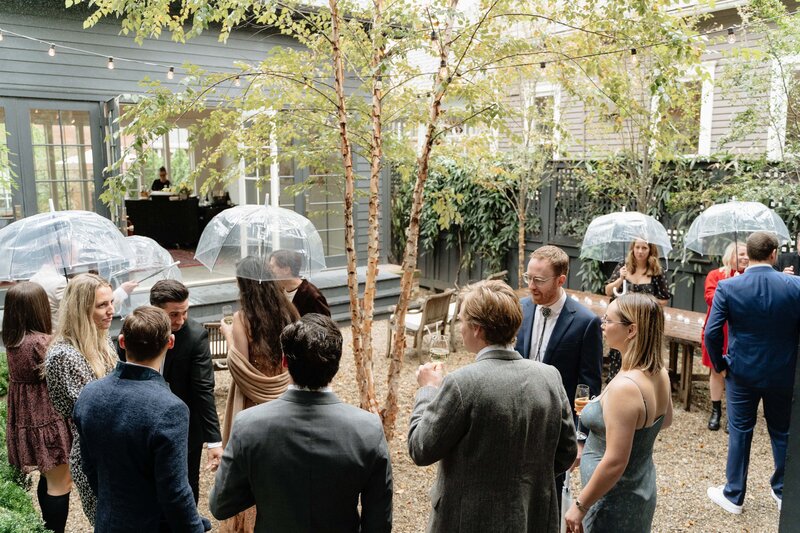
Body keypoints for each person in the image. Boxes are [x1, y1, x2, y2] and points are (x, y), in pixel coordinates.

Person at [409, 280, 577, 532]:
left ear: (476, 329)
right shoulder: (550, 376)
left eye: (462, 320)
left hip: (469, 522)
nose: (460, 328)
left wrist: (427, 391)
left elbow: (420, 448)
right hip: (531, 518)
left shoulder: (462, 383)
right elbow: (566, 453)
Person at [210, 314, 393, 532]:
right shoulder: (368, 429)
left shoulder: (249, 425)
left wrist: (261, 480)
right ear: (336, 364)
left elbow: (220, 506)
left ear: (285, 361)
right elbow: (379, 523)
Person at [73, 306, 209, 533]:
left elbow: (88, 465)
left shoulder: (89, 394)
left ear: (123, 342)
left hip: (108, 521)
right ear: (170, 342)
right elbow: (174, 492)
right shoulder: (170, 409)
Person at [705, 231, 800, 514]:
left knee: (740, 431)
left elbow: (712, 332)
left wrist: (720, 365)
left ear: (749, 253)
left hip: (742, 373)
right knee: (782, 431)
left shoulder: (729, 287)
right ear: (774, 255)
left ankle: (734, 495)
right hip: (783, 372)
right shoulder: (795, 286)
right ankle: (783, 491)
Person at [564, 293, 673, 533]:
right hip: (641, 487)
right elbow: (665, 420)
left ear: (631, 330)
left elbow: (614, 461)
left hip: (610, 499)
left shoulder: (625, 388)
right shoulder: (658, 372)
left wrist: (580, 506)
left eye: (608, 320)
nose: (602, 325)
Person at [514, 245, 603, 504]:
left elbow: (588, 385)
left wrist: (580, 437)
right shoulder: (519, 308)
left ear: (561, 279)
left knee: (549, 495)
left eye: (539, 280)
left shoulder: (586, 321)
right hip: (516, 417)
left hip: (556, 426)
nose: (531, 285)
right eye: (528, 278)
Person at [121, 280, 222, 505]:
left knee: (186, 485)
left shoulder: (195, 336)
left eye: (185, 312)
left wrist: (214, 440)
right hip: (141, 420)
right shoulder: (134, 330)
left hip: (185, 425)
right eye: (174, 314)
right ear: (155, 309)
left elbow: (203, 388)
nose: (181, 320)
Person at [217, 256, 300, 532]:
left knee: (255, 468)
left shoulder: (243, 319)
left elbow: (239, 364)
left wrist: (228, 334)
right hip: (286, 393)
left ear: (244, 285)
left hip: (255, 402)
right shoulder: (290, 311)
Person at [45, 273, 117, 524]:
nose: (111, 311)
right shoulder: (63, 355)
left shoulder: (102, 337)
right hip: (93, 454)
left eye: (111, 302)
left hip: (115, 446)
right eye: (102, 305)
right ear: (80, 309)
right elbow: (91, 413)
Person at [3, 282, 72, 533]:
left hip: (27, 420)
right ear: (39, 308)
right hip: (48, 419)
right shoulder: (41, 342)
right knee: (60, 482)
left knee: (48, 477)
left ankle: (46, 527)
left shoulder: (13, 341)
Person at [604, 239, 671, 381]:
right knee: (619, 352)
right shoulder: (624, 266)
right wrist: (620, 278)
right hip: (623, 320)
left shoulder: (656, 271)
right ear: (632, 248)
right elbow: (608, 291)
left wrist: (642, 302)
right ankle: (615, 381)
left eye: (644, 248)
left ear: (650, 250)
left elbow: (664, 298)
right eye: (637, 247)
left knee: (639, 353)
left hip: (643, 322)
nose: (640, 251)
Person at [700, 242, 748, 431]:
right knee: (716, 369)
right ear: (731, 255)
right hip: (718, 330)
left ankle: (732, 414)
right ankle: (716, 411)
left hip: (739, 331)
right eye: (741, 253)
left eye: (748, 254)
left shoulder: (749, 277)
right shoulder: (716, 275)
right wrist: (730, 286)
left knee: (737, 373)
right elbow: (710, 298)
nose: (745, 257)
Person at [269, 250, 330, 316]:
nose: (270, 270)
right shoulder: (279, 291)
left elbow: (324, 324)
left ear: (286, 270)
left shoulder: (312, 296)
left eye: (272, 267)